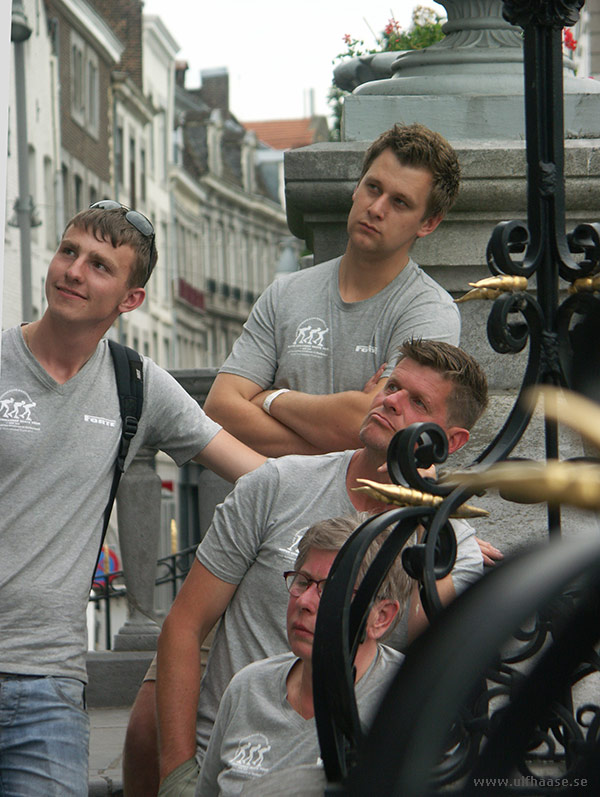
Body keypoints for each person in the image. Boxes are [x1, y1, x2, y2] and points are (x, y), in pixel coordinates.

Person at [0, 202, 265, 797]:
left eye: (99, 265)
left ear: (131, 300)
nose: (73, 270)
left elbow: (259, 475)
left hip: (50, 685)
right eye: (69, 252)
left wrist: (398, 508)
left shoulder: (136, 385)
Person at [150, 340, 488, 797]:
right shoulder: (276, 484)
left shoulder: (453, 547)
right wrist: (177, 776)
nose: (391, 401)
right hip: (233, 763)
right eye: (392, 386)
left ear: (450, 442)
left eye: (418, 402)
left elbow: (441, 662)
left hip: (346, 770)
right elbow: (185, 625)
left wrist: (431, 517)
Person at [204, 123, 462, 457]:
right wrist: (343, 434)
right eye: (373, 187)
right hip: (276, 508)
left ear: (428, 222)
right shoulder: (285, 294)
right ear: (357, 187)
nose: (377, 208)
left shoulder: (430, 311)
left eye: (399, 202)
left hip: (369, 509)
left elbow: (387, 428)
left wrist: (269, 398)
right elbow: (219, 409)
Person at [195, 515, 411, 796]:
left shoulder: (408, 696)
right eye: (302, 581)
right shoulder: (248, 688)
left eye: (331, 589)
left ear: (381, 617)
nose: (305, 602)